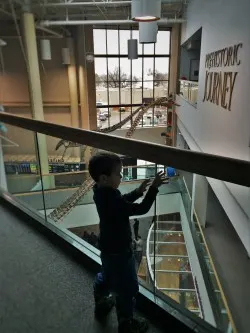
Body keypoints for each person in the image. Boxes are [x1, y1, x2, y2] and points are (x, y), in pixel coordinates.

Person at [89, 152, 166, 333]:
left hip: (107, 248)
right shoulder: (112, 199)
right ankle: (126, 323)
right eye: (118, 173)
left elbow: (121, 202)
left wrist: (138, 192)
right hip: (121, 251)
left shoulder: (100, 192)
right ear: (104, 178)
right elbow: (141, 208)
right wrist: (153, 188)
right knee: (128, 287)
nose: (122, 176)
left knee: (106, 275)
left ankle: (101, 300)